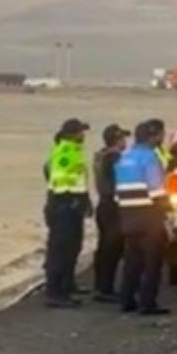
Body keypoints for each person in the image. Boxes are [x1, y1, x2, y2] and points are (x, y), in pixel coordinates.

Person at [114, 119, 172, 316]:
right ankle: (148, 303)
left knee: (132, 260)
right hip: (148, 215)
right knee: (152, 261)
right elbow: (156, 190)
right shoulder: (149, 157)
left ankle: (126, 300)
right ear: (153, 136)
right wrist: (168, 211)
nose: (162, 137)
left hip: (127, 215)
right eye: (161, 134)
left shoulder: (124, 156)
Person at [41, 118, 91, 307]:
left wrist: (83, 199)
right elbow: (61, 179)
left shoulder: (73, 151)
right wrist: (73, 199)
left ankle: (67, 284)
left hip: (71, 204)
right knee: (59, 250)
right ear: (72, 134)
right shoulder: (65, 152)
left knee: (72, 247)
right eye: (80, 132)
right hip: (63, 205)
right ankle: (55, 292)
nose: (83, 136)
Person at [89, 123, 128, 301]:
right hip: (113, 205)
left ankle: (101, 286)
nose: (125, 142)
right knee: (111, 249)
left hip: (104, 205)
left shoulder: (100, 155)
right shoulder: (114, 158)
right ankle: (106, 289)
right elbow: (120, 182)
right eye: (123, 139)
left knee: (104, 247)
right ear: (117, 140)